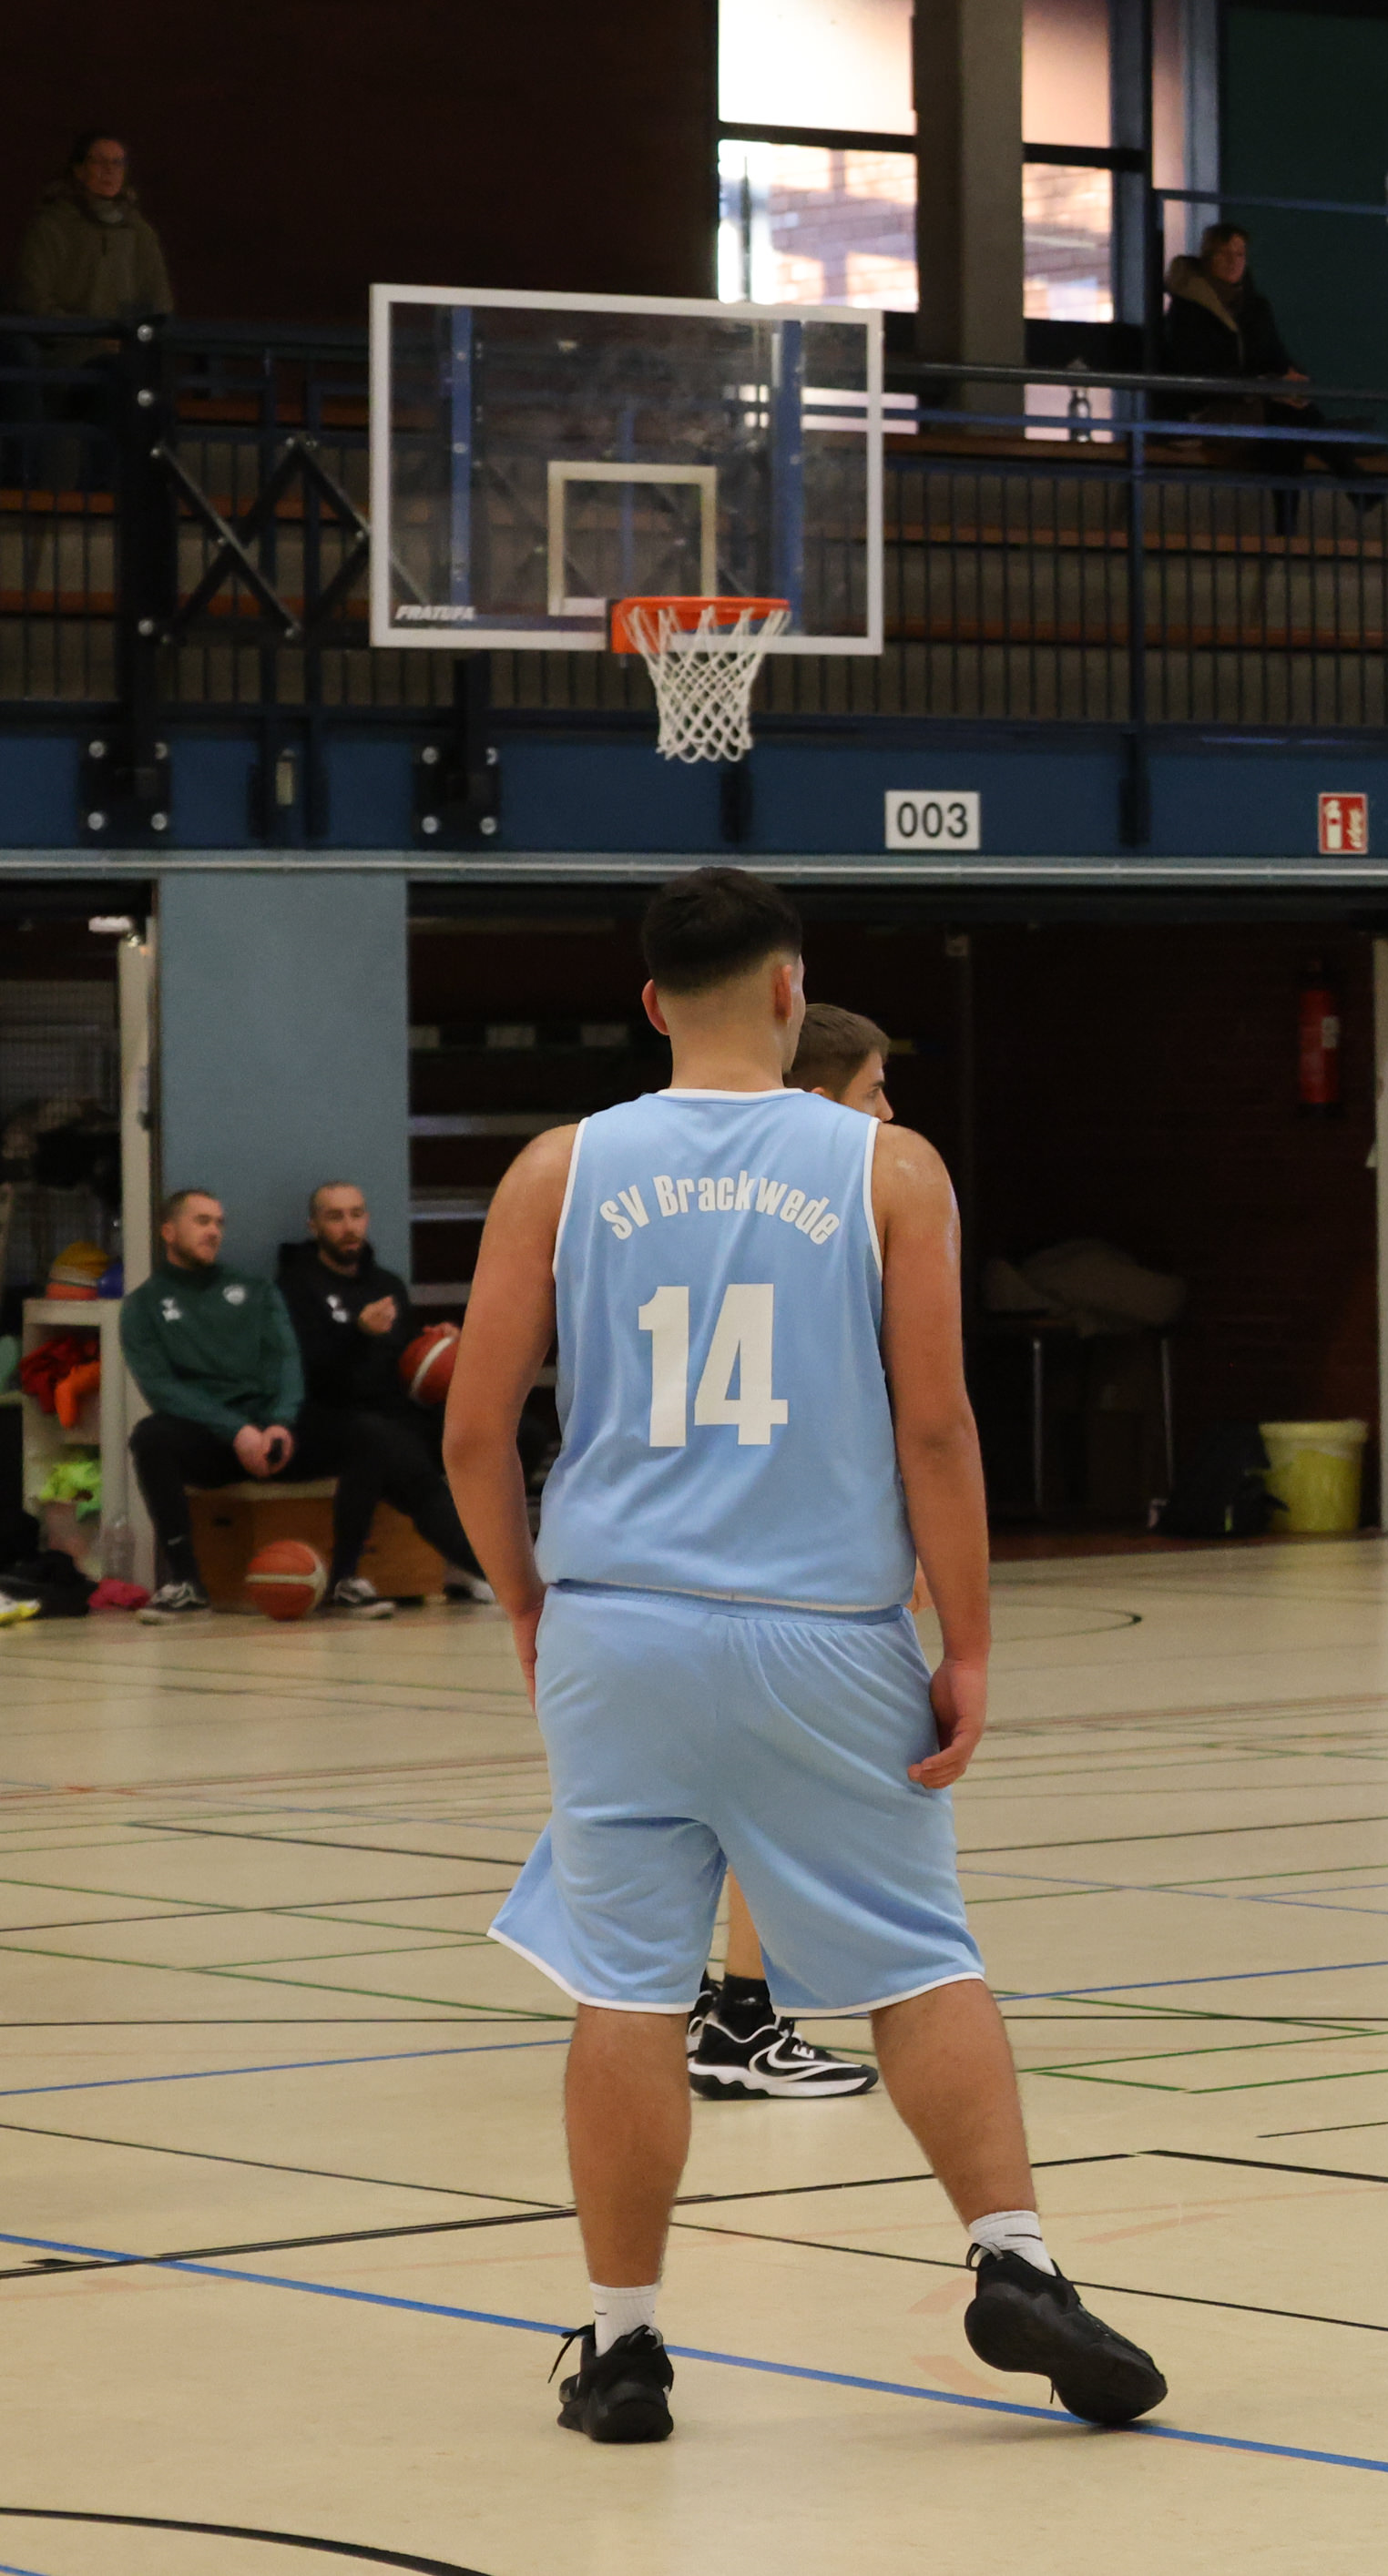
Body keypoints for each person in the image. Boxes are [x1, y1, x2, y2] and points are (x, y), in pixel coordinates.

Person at [447, 867, 1164, 2444]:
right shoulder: (889, 1167)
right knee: (917, 1957)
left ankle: (624, 2347)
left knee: (626, 1985)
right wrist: (968, 1640)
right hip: (823, 1629)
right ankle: (1015, 2260)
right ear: (791, 989)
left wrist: (525, 1602)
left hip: (620, 1624)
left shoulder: (558, 1167)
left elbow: (476, 1429)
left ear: (652, 1002)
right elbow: (936, 1426)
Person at [669, 999, 905, 2107]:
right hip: (787, 1563)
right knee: (782, 1805)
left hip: (657, 1563)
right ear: (816, 1104)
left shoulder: (661, 1205)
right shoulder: (851, 1213)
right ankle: (741, 2018)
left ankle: (707, 2005)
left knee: (705, 1803)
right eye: (873, 1092)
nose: (888, 1113)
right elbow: (906, 1411)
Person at [278, 1181, 496, 1617]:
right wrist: (357, 1332)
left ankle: (468, 1566)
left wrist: (435, 1347)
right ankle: (346, 1578)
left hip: (392, 1411)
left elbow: (404, 1362)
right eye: (335, 1217)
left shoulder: (387, 1285)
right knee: (379, 1442)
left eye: (356, 1214)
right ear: (314, 1226)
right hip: (324, 1417)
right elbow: (306, 1370)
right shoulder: (295, 1286)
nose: (349, 1226)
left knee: (508, 1433)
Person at [118, 1188, 302, 1622]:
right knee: (151, 1436)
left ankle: (350, 1577)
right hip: (212, 1442)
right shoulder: (142, 1306)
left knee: (368, 1433)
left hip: (273, 1433)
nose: (214, 1231)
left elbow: (286, 1360)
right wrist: (235, 1430)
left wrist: (280, 1422)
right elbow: (162, 1389)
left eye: (219, 1222)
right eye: (202, 1221)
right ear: (169, 1232)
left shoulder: (255, 1290)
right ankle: (185, 1580)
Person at [1158, 223, 1367, 509]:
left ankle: (1294, 524)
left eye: (1240, 254)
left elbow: (1276, 355)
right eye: (1224, 254)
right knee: (1291, 422)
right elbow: (1201, 373)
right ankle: (1352, 479)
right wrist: (1266, 385)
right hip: (1209, 410)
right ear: (1207, 258)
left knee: (1290, 426)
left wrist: (1291, 378)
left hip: (1258, 404)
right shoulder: (1188, 310)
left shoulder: (1255, 306)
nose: (1234, 262)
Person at [7, 134, 168, 494]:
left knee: (132, 388)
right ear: (79, 170)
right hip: (61, 358)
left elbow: (158, 304)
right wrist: (89, 336)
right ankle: (31, 486)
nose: (109, 171)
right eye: (100, 161)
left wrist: (131, 339)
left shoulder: (139, 234)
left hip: (116, 358)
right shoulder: (52, 227)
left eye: (117, 163)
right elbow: (33, 300)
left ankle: (107, 494)